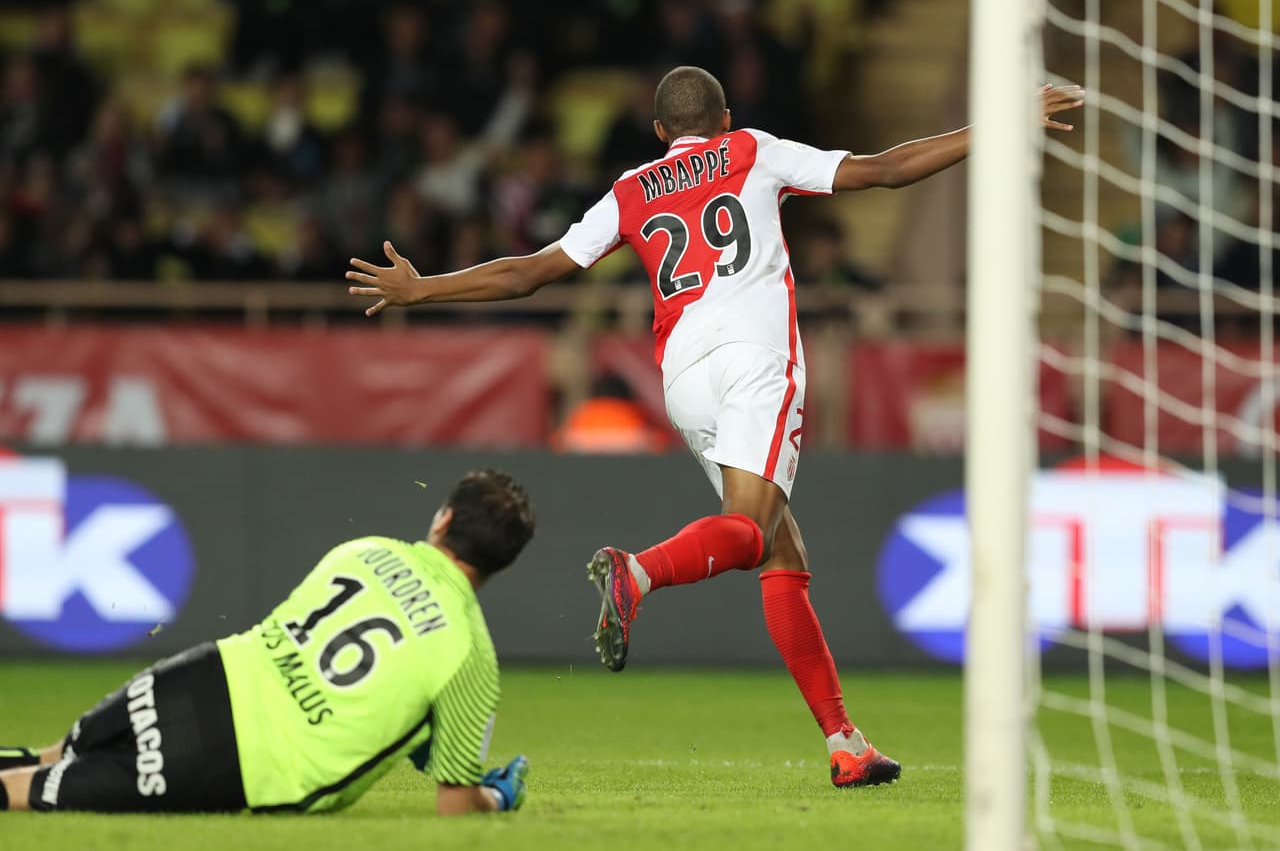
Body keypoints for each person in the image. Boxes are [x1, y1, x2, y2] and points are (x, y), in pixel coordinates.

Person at [345, 66, 1083, 788]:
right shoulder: (754, 149)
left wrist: (422, 288)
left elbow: (530, 273)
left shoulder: (629, 190)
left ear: (660, 130)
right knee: (753, 529)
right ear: (724, 119)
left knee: (778, 550)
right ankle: (637, 572)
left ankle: (844, 741)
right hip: (753, 359)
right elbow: (883, 170)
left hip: (682, 377)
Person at [0, 470, 535, 816]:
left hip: (202, 675)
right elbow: (455, 805)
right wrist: (494, 796)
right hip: (244, 763)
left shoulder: (366, 550)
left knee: (50, 758)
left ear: (443, 518)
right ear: (503, 562)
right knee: (28, 795)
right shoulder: (470, 654)